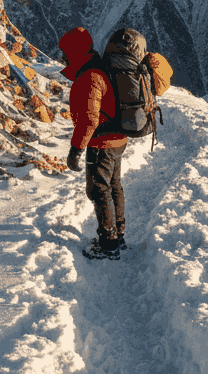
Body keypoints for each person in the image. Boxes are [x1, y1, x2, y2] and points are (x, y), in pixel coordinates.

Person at [58, 26, 173, 260]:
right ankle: (118, 235)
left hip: (101, 142)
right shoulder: (99, 68)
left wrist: (76, 150)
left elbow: (89, 119)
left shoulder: (90, 76)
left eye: (65, 53)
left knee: (99, 190)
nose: (62, 58)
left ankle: (107, 243)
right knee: (114, 187)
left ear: (73, 53)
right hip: (118, 136)